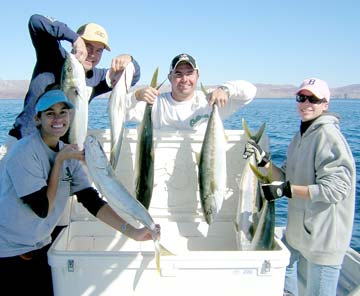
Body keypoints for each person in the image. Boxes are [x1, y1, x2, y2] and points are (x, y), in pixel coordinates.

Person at [0, 90, 160, 296]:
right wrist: (59, 162)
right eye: (50, 113)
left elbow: (92, 201)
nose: (58, 118)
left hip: (41, 247)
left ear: (70, 116)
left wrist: (135, 233)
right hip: (9, 252)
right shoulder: (24, 153)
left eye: (63, 112)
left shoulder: (68, 152)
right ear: (37, 118)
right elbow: (42, 208)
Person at [243, 78, 356, 296]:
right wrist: (264, 162)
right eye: (301, 98)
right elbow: (286, 176)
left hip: (323, 239)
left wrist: (286, 190)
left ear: (325, 104)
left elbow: (336, 189)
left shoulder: (329, 137)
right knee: (283, 280)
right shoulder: (300, 136)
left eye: (313, 99)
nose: (306, 103)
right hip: (297, 235)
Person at [8, 13, 141, 140]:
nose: (93, 54)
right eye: (88, 46)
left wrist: (130, 61)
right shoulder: (52, 55)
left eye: (99, 50)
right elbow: (36, 21)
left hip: (64, 149)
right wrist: (74, 38)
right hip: (26, 141)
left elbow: (133, 78)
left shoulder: (97, 78)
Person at [126, 53, 257, 130]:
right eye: (178, 74)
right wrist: (135, 96)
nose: (184, 79)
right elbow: (119, 112)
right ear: (170, 77)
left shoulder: (210, 101)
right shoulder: (155, 102)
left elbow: (250, 91)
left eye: (190, 73)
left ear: (197, 76)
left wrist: (226, 89)